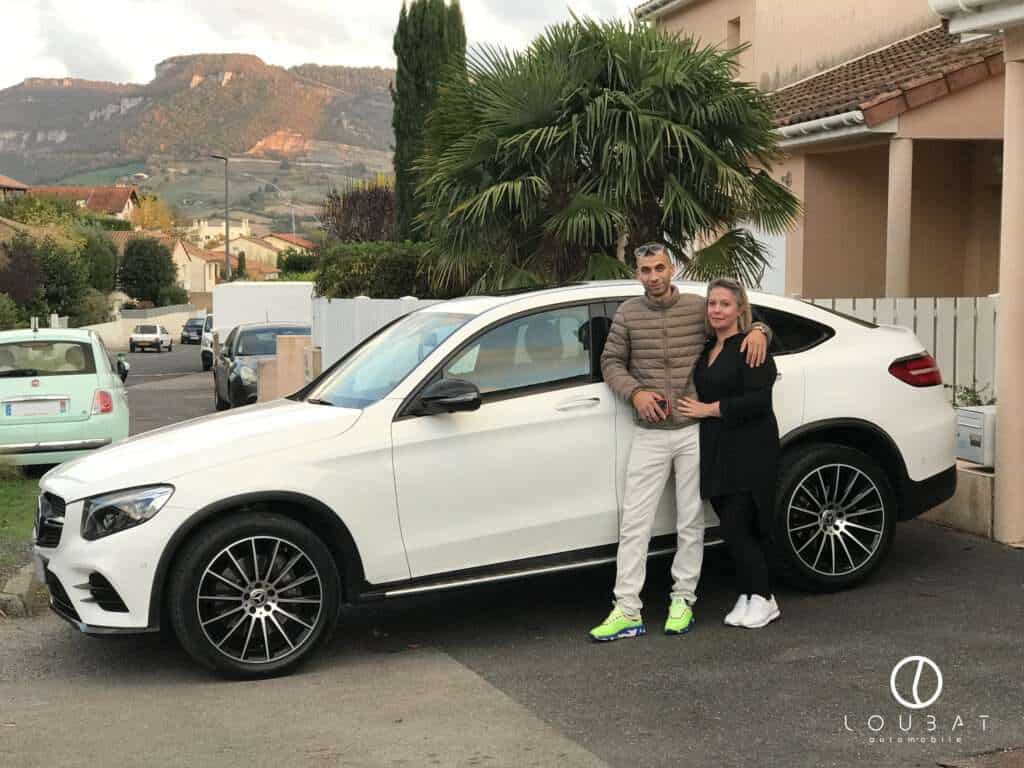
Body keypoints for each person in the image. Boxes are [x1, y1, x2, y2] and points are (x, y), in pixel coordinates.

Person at [590, 244, 770, 642]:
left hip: (693, 431)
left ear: (672, 269)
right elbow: (610, 361)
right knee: (634, 523)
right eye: (645, 270)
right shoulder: (628, 313)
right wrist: (635, 392)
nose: (653, 276)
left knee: (690, 521)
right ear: (637, 273)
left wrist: (761, 330)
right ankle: (627, 609)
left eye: (659, 267)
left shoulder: (696, 307)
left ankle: (683, 600)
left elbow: (734, 318)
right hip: (649, 433)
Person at [677, 277, 781, 629]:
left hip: (749, 448)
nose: (717, 310)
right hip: (716, 449)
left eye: (725, 304)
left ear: (739, 309)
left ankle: (764, 597)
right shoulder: (708, 346)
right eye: (712, 303)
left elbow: (759, 401)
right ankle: (749, 593)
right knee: (733, 527)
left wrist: (708, 409)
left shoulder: (749, 346)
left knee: (739, 526)